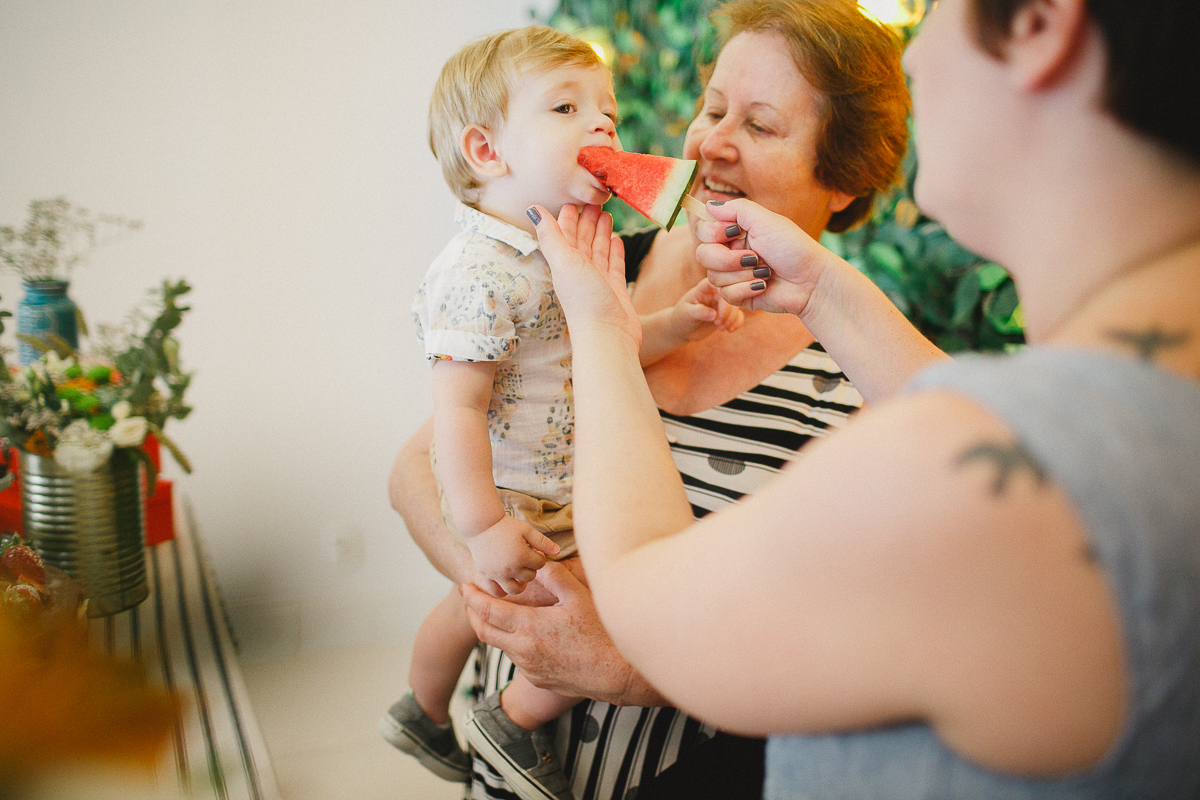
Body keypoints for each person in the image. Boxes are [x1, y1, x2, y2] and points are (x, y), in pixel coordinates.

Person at [517, 0, 1200, 797]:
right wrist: (825, 292)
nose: (911, 59)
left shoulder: (971, 469)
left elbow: (640, 596)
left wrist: (600, 322)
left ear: (1039, 25)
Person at [391, 2, 914, 798]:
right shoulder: (585, 261)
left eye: (762, 126)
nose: (709, 143)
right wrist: (508, 591)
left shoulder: (858, 396)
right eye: (710, 108)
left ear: (841, 184)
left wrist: (634, 658)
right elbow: (413, 471)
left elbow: (846, 665)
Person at [384, 24, 743, 800]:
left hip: (549, 490)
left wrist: (676, 322)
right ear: (488, 153)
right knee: (594, 604)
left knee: (471, 605)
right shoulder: (479, 272)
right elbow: (456, 410)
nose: (604, 127)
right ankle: (511, 722)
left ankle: (420, 710)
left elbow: (599, 352)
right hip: (513, 497)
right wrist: (479, 526)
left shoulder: (554, 250)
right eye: (567, 108)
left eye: (608, 114)